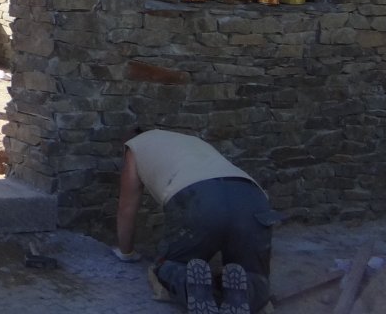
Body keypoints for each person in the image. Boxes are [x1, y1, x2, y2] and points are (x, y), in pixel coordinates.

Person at [112, 128, 276, 314]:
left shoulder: (133, 148)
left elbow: (126, 209)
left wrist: (127, 253)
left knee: (170, 266)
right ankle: (247, 288)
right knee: (254, 273)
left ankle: (188, 282)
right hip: (252, 197)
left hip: (198, 197)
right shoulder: (190, 141)